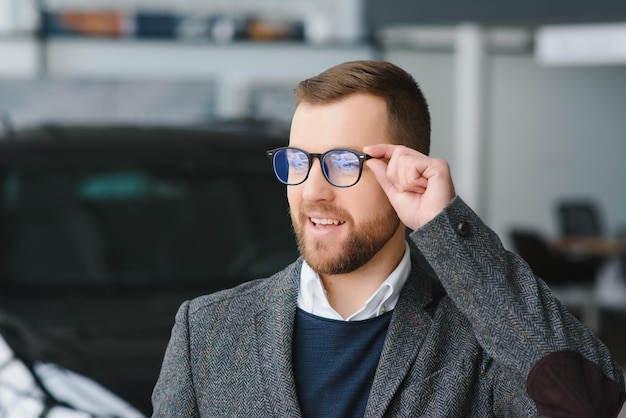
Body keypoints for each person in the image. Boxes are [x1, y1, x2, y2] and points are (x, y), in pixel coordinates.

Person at [152, 60, 626, 417]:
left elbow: (588, 402)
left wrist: (447, 225)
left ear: (408, 170)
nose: (312, 192)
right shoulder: (208, 330)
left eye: (341, 162)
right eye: (299, 161)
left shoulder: (478, 337)